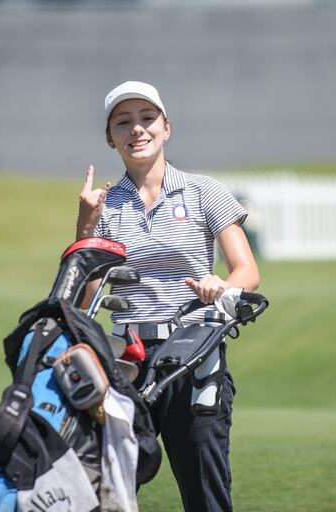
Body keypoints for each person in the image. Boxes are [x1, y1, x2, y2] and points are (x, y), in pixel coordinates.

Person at [76, 80, 260, 512]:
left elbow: (247, 271)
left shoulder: (203, 191)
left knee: (205, 496)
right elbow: (85, 299)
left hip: (194, 354)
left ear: (166, 127)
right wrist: (85, 226)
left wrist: (222, 287)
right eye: (123, 122)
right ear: (110, 137)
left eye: (146, 119)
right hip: (126, 361)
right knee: (110, 496)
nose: (136, 129)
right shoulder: (104, 205)